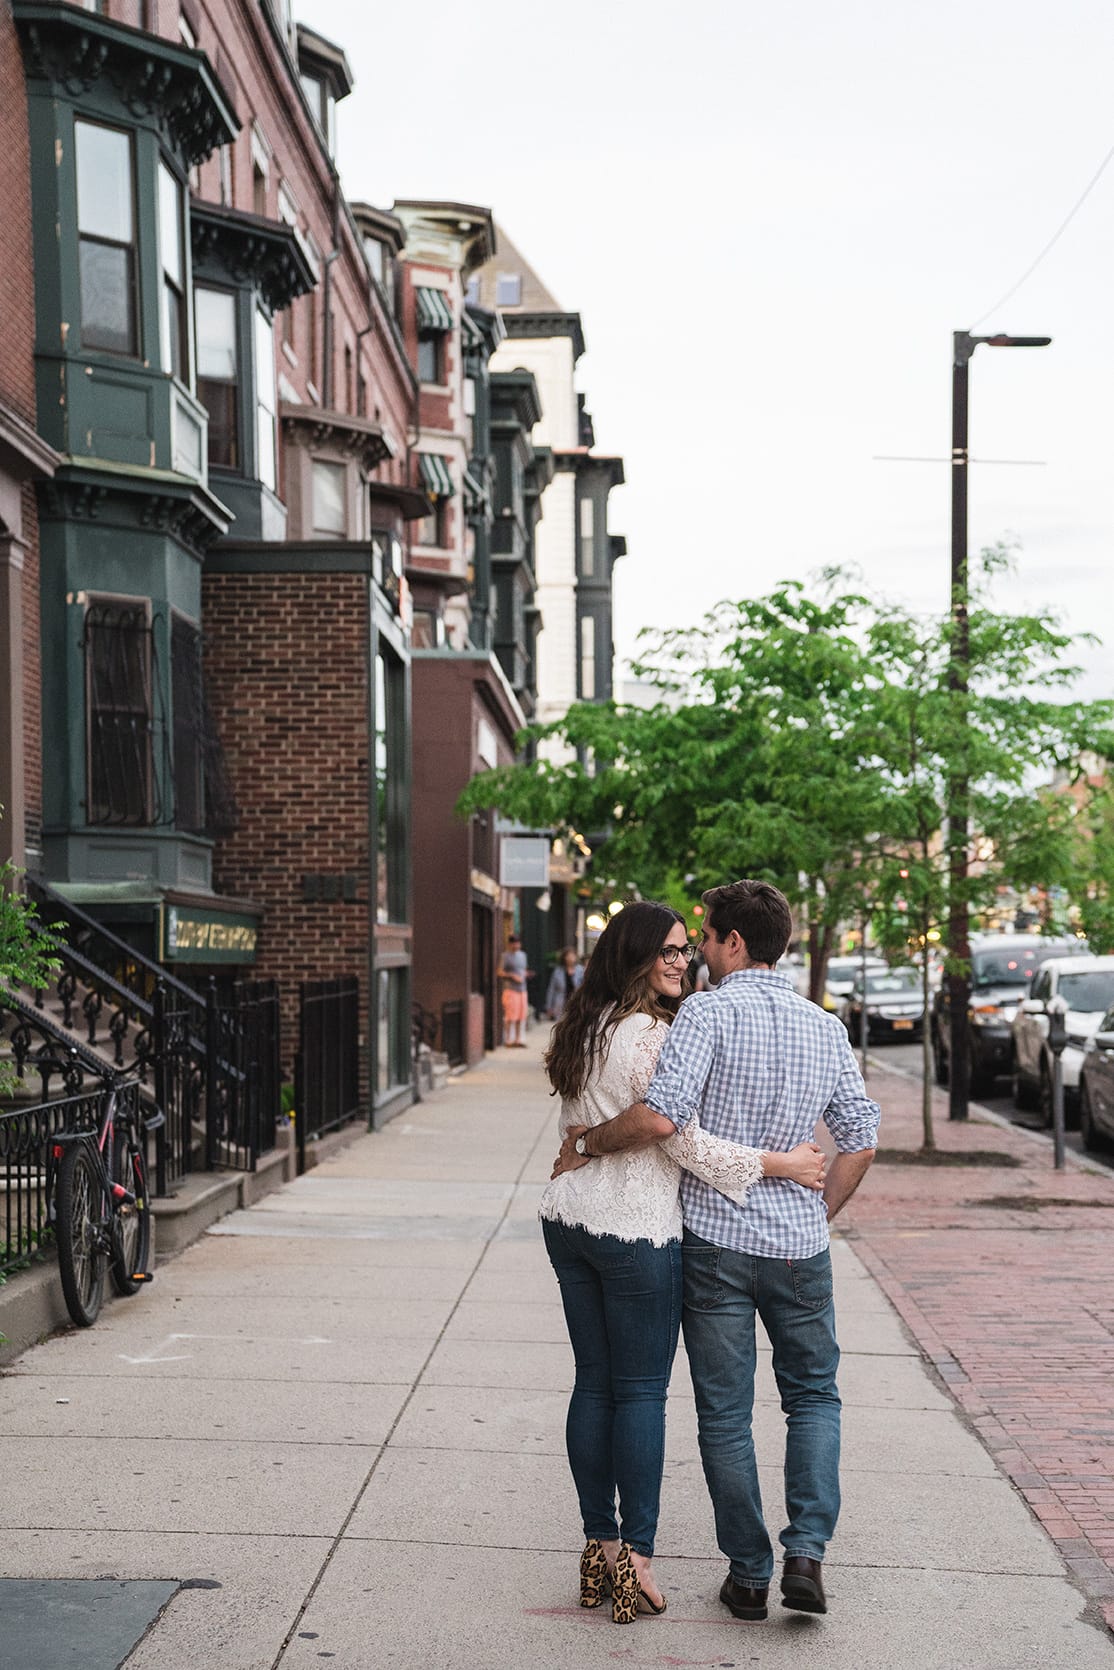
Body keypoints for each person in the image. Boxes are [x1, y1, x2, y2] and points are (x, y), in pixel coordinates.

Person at [555, 879, 880, 1623]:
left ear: (734, 943)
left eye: (705, 936)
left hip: (717, 1245)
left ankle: (749, 1574)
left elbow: (663, 1116)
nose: (699, 948)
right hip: (798, 1248)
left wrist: (584, 1144)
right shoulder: (824, 1027)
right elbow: (860, 1141)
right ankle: (807, 1554)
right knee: (814, 1399)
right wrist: (816, 1213)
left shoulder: (704, 1012)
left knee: (725, 1415)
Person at [499, 933, 532, 1047]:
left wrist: (526, 974)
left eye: (518, 943)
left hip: (522, 989)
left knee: (520, 1015)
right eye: (514, 943)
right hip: (510, 989)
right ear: (510, 944)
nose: (516, 945)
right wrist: (512, 976)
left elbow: (523, 969)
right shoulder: (505, 956)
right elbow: (500, 972)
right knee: (510, 1015)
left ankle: (518, 1039)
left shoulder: (523, 955)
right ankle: (508, 1039)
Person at [544, 947, 584, 1020]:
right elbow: (551, 989)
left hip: (576, 1003)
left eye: (573, 955)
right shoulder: (557, 971)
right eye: (569, 956)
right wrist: (549, 1007)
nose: (571, 958)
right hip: (561, 1003)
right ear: (564, 958)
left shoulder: (580, 970)